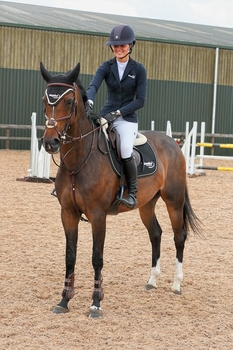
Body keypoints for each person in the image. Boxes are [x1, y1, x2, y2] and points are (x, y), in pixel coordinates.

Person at [87, 24, 147, 209]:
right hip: (106, 114)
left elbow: (141, 100)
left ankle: (132, 194)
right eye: (115, 45)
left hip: (126, 119)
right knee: (89, 142)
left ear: (130, 46)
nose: (118, 49)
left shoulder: (138, 70)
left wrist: (120, 112)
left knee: (125, 149)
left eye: (122, 45)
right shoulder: (106, 66)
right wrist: (89, 101)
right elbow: (93, 86)